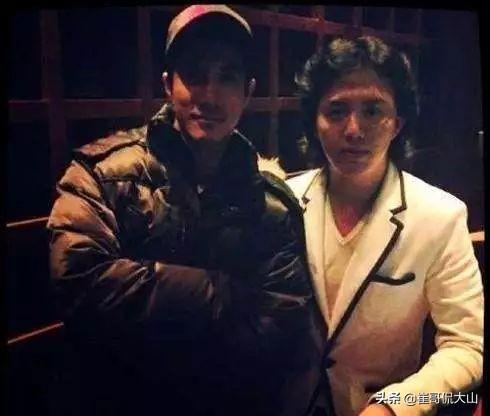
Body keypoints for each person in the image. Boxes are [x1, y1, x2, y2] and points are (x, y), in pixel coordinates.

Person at [47, 5, 320, 416]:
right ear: (167, 84)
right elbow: (79, 280)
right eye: (194, 74)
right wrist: (221, 291)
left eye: (227, 77)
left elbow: (282, 323)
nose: (209, 95)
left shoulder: (272, 204)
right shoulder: (102, 174)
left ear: (248, 92)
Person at [288, 36, 483, 416]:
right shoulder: (284, 201)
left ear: (397, 123)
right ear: (315, 121)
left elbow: (469, 345)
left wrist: (395, 406)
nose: (354, 129)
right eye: (337, 110)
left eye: (373, 110)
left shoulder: (439, 216)